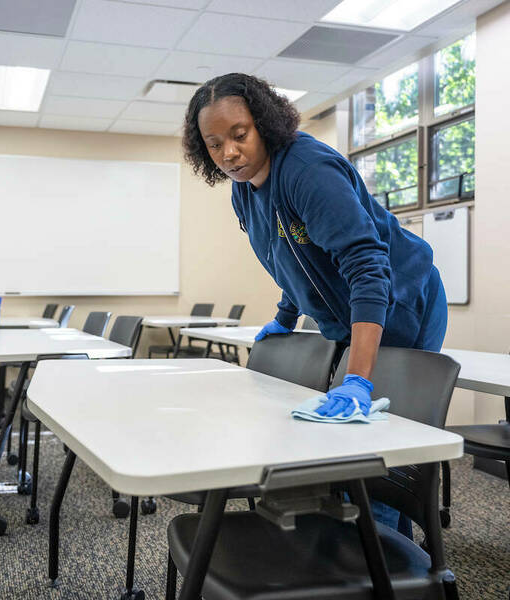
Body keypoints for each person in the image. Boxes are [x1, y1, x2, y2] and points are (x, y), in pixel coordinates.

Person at [182, 72, 448, 537]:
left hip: (400, 299)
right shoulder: (243, 190)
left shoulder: (308, 170)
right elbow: (291, 259)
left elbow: (367, 267)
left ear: (264, 123)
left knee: (374, 453)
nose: (228, 153)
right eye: (214, 144)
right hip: (350, 311)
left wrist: (359, 379)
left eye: (239, 135)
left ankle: (386, 562)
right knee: (342, 449)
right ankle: (345, 547)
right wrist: (285, 317)